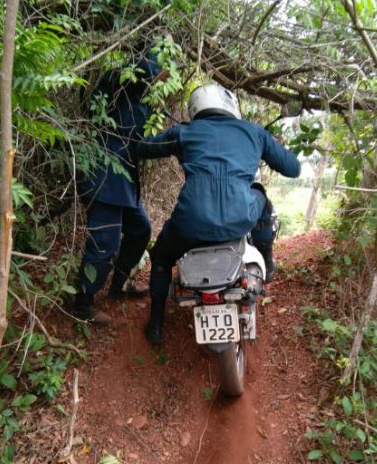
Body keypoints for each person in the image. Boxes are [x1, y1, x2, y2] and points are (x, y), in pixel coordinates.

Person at [135, 84, 301, 345]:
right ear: (230, 105)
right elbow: (293, 169)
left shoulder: (184, 133)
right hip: (240, 219)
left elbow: (142, 148)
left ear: (194, 109)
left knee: (162, 257)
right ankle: (267, 260)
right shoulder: (254, 132)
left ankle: (156, 323)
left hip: (190, 222)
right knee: (259, 194)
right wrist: (267, 145)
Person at [73, 45, 168, 326]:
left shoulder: (143, 102)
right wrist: (156, 64)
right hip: (103, 176)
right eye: (159, 69)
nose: (161, 78)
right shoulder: (117, 82)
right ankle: (83, 303)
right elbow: (134, 72)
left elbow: (142, 142)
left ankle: (119, 285)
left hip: (124, 182)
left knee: (140, 229)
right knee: (105, 241)